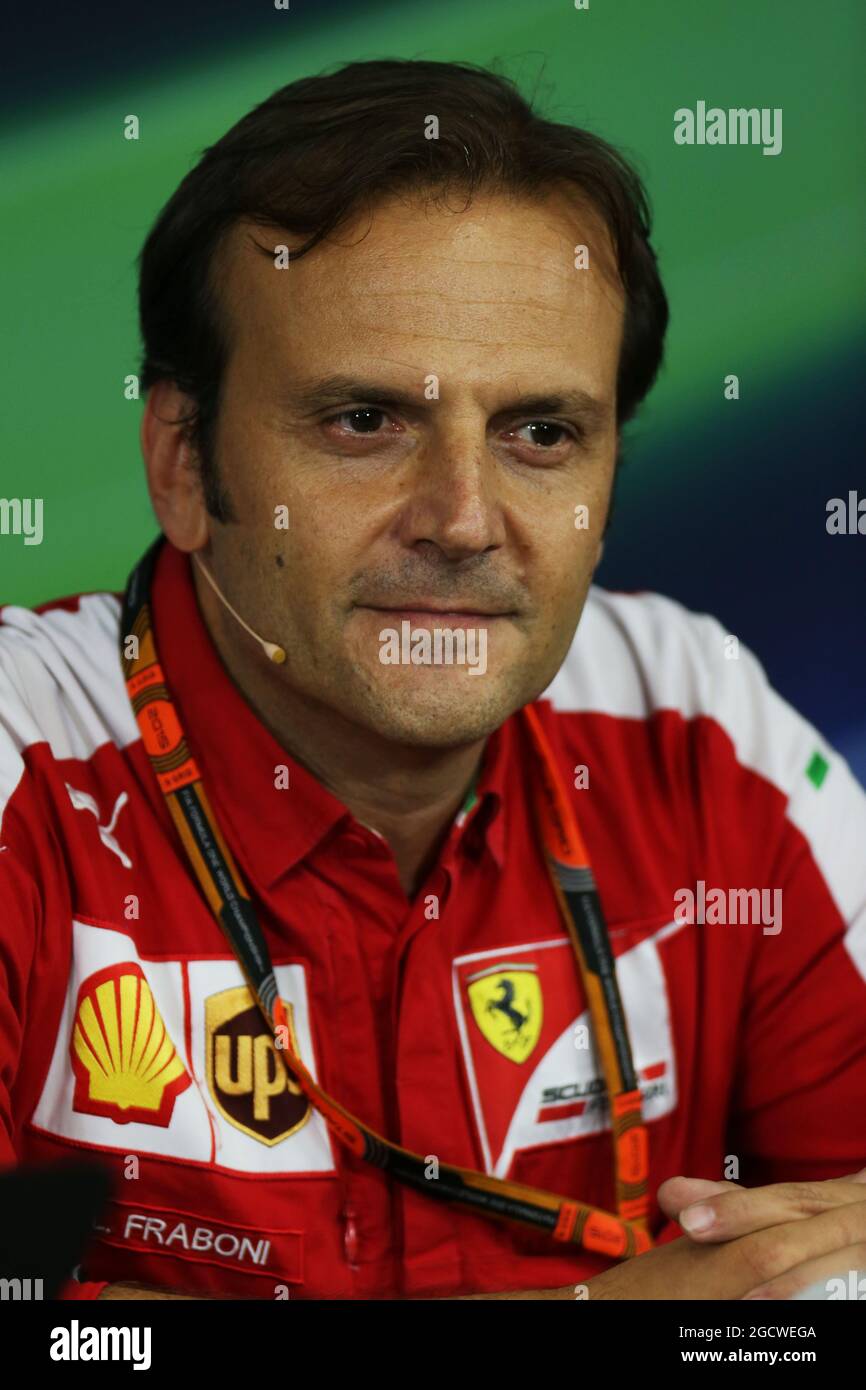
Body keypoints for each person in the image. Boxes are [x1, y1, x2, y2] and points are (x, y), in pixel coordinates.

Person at [1, 59, 864, 1302]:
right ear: (183, 462)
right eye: (365, 421)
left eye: (539, 434)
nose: (463, 519)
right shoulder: (22, 775)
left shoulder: (701, 729)